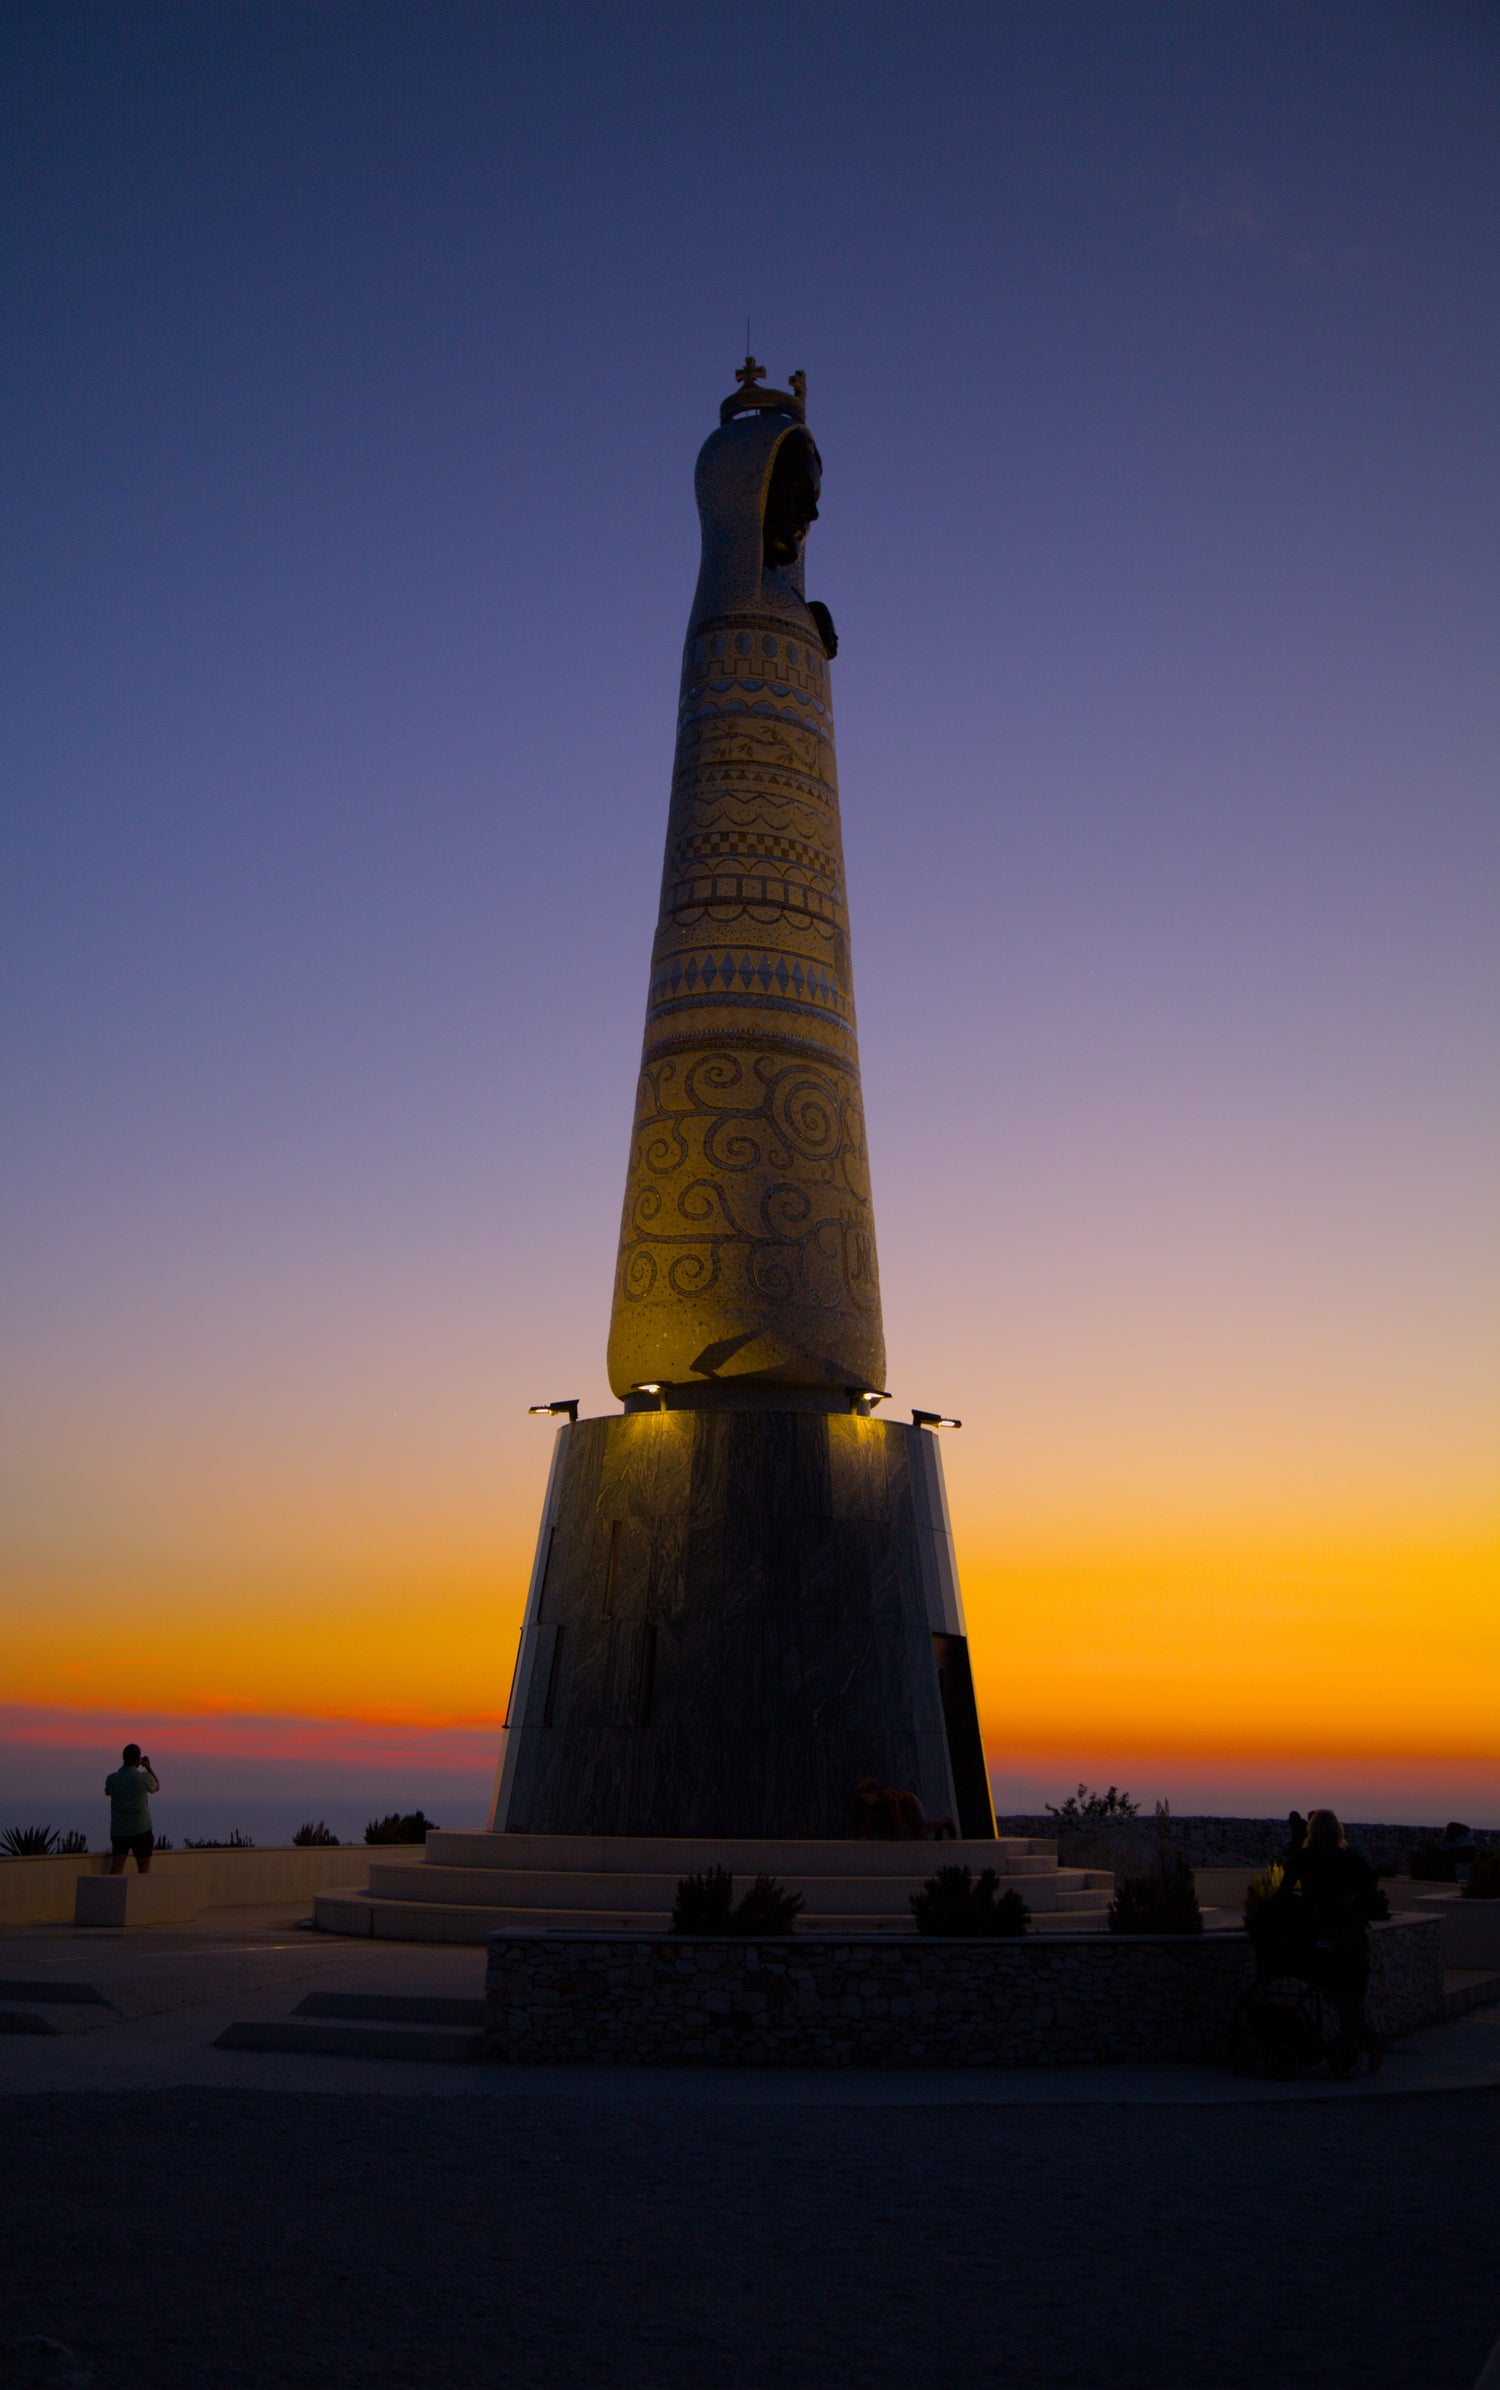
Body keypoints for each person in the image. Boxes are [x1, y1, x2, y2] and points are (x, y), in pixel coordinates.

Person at [1277, 1809, 1389, 2067]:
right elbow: (1370, 1879)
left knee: (1339, 1994)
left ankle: (1358, 2046)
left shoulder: (1303, 1858)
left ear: (1311, 1831)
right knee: (1349, 1996)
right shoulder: (1345, 1857)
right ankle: (1362, 2044)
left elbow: (1284, 1893)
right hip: (1348, 1936)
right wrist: (1352, 1899)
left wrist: (1303, 1907)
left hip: (1323, 1936)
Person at [104, 1742, 160, 1874]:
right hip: (141, 1829)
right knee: (144, 1870)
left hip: (119, 1830)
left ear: (123, 1758)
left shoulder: (112, 1778)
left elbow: (107, 1791)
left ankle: (112, 1894)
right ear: (137, 1759)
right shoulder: (142, 1778)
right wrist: (148, 1767)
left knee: (117, 1868)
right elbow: (156, 1786)